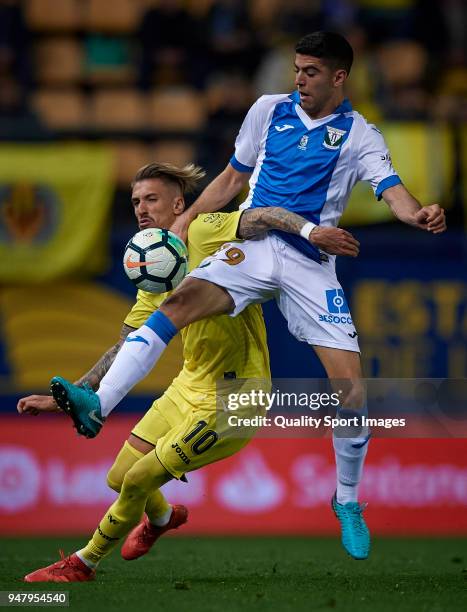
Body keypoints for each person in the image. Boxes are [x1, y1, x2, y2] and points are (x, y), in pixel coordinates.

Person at [50, 30, 447, 562]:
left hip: (311, 263)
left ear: (338, 77)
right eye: (297, 69)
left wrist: (418, 213)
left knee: (351, 386)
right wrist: (185, 224)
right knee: (177, 304)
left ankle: (347, 500)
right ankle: (99, 403)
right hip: (254, 245)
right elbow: (232, 178)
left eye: (309, 72)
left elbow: (391, 191)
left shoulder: (359, 135)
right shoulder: (267, 110)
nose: (298, 80)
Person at [20, 161, 358, 582]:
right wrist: (70, 393)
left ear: (179, 203)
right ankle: (162, 519)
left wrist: (310, 232)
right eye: (135, 201)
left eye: (152, 199)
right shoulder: (152, 272)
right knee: (118, 477)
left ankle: (82, 562)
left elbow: (263, 216)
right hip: (189, 384)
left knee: (140, 478)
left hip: (235, 397)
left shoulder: (204, 230)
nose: (141, 209)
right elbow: (124, 345)